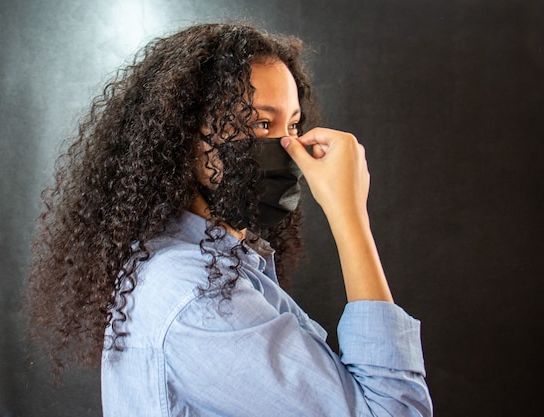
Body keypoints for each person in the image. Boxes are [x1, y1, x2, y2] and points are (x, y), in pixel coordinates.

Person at [26, 22, 432, 417]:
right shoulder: (198, 299)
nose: (287, 146)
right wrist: (349, 216)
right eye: (259, 123)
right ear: (183, 136)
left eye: (292, 125)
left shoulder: (212, 261)